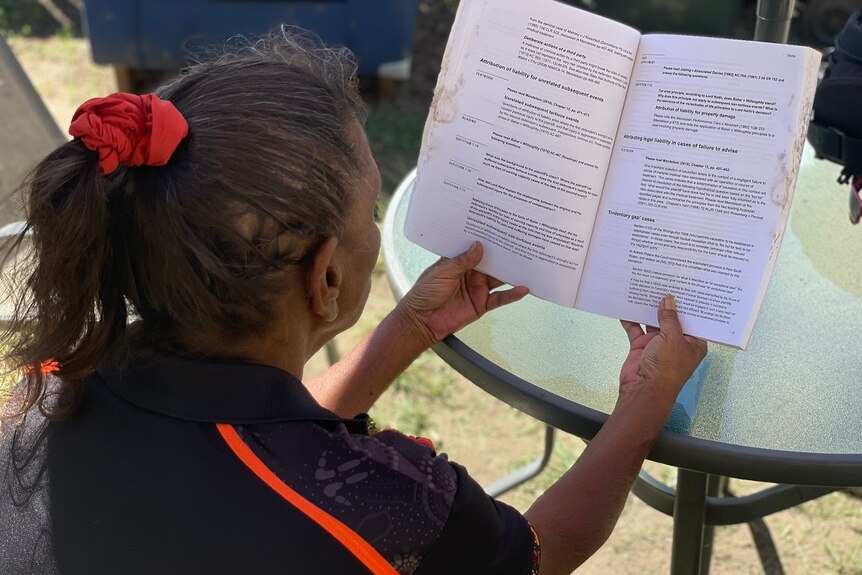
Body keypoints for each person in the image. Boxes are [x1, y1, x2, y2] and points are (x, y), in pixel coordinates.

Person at [0, 27, 706, 575]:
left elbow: (261, 450)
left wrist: (408, 328)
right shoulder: (390, 509)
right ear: (327, 276)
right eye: (370, 205)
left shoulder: (39, 404)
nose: (377, 220)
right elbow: (537, 551)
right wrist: (644, 403)